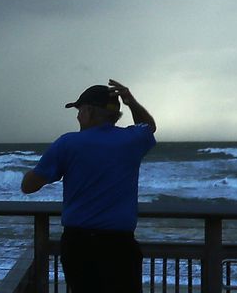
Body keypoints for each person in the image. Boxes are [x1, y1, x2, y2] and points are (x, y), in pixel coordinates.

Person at [20, 79, 157, 293]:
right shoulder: (132, 140)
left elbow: (29, 186)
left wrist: (37, 169)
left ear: (89, 111)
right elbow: (149, 127)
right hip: (120, 245)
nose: (77, 115)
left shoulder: (68, 143)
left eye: (79, 110)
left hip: (79, 244)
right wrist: (131, 102)